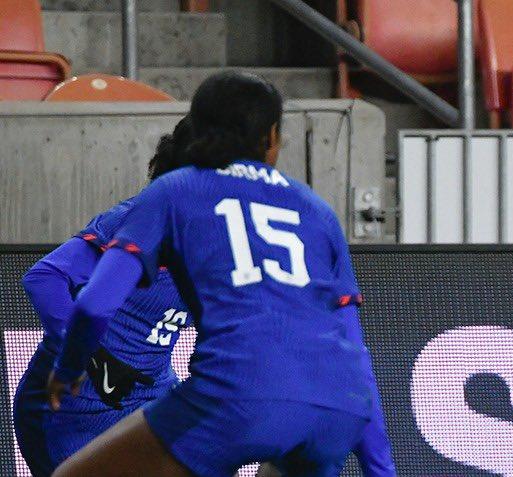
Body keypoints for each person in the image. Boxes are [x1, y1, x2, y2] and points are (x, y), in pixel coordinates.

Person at [46, 71, 376, 477]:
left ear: (196, 129)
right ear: (272, 137)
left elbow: (94, 306)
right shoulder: (317, 210)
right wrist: (382, 469)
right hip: (337, 407)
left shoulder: (176, 190)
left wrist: (68, 369)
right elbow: (356, 351)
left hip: (236, 396)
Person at [15, 117, 194, 476]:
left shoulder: (223, 237)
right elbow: (45, 277)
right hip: (71, 409)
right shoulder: (135, 221)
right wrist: (85, 353)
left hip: (148, 396)